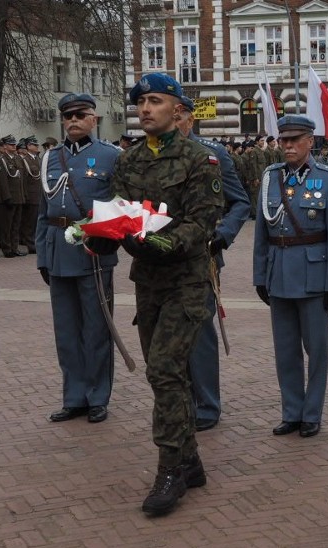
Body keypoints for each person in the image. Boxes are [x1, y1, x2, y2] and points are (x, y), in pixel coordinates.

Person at [111, 73, 224, 517]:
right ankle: (191, 461)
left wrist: (162, 243)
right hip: (149, 284)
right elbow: (119, 213)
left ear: (178, 110)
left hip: (186, 281)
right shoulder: (129, 162)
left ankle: (170, 469)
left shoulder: (201, 160)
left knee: (163, 368)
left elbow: (203, 224)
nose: (144, 109)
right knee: (167, 375)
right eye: (140, 102)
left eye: (154, 101)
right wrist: (104, 237)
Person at [252, 115, 328, 440]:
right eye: (284, 140)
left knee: (316, 349)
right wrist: (259, 275)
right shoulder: (270, 177)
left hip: (313, 274)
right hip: (278, 273)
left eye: (295, 140)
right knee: (285, 349)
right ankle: (291, 412)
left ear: (310, 142)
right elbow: (262, 232)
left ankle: (311, 413)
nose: (288, 146)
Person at [35, 93, 120, 425]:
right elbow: (43, 213)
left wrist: (106, 240)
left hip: (93, 253)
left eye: (80, 115)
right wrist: (43, 255)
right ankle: (74, 397)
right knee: (66, 331)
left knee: (97, 329)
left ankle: (98, 396)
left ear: (93, 119)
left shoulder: (111, 156)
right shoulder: (50, 159)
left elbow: (122, 205)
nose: (72, 121)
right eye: (67, 116)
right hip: (58, 252)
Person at [176, 95, 251, 432]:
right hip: (158, 260)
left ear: (190, 119)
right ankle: (177, 403)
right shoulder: (144, 156)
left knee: (200, 333)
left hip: (199, 257)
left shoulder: (213, 154)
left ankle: (206, 404)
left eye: (179, 115)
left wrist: (224, 234)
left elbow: (240, 202)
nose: (172, 121)